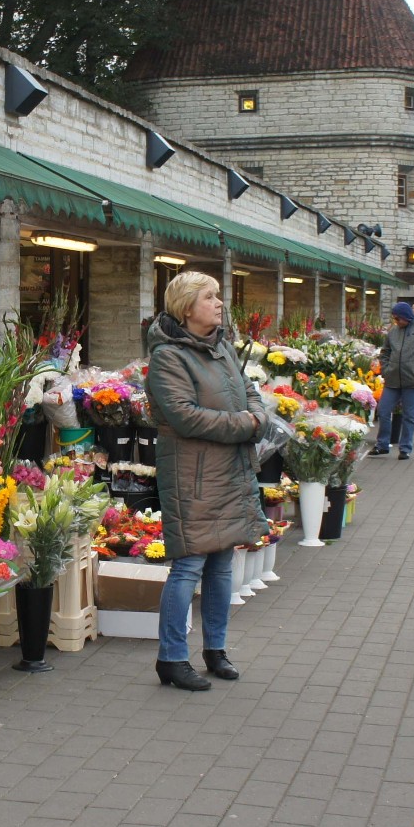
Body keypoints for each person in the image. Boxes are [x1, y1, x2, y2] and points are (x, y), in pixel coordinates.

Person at [145, 272, 269, 691]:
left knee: (220, 563)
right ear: (185, 307)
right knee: (189, 565)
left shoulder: (221, 348)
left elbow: (250, 391)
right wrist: (245, 424)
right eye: (210, 297)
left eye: (219, 296)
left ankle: (215, 649)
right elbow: (184, 415)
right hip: (193, 475)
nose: (220, 303)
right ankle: (172, 657)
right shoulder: (168, 357)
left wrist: (259, 416)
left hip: (228, 470)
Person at [376, 301, 414, 460]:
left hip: (413, 381)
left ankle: (405, 448)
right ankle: (382, 445)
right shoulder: (393, 332)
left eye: (399, 319)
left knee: (409, 415)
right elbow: (385, 351)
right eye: (395, 319)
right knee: (383, 410)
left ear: (407, 317)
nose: (397, 322)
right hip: (393, 379)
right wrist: (385, 369)